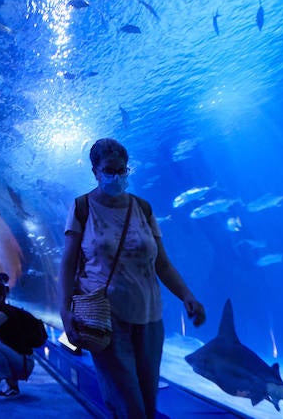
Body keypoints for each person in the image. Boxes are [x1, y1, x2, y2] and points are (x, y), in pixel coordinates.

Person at [58, 138, 206, 419]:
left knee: (148, 404)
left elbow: (161, 263)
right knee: (129, 406)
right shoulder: (82, 208)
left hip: (150, 318)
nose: (116, 176)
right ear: (95, 171)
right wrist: (64, 310)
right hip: (105, 319)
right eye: (109, 170)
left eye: (122, 170)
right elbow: (67, 264)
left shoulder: (143, 208)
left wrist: (187, 296)